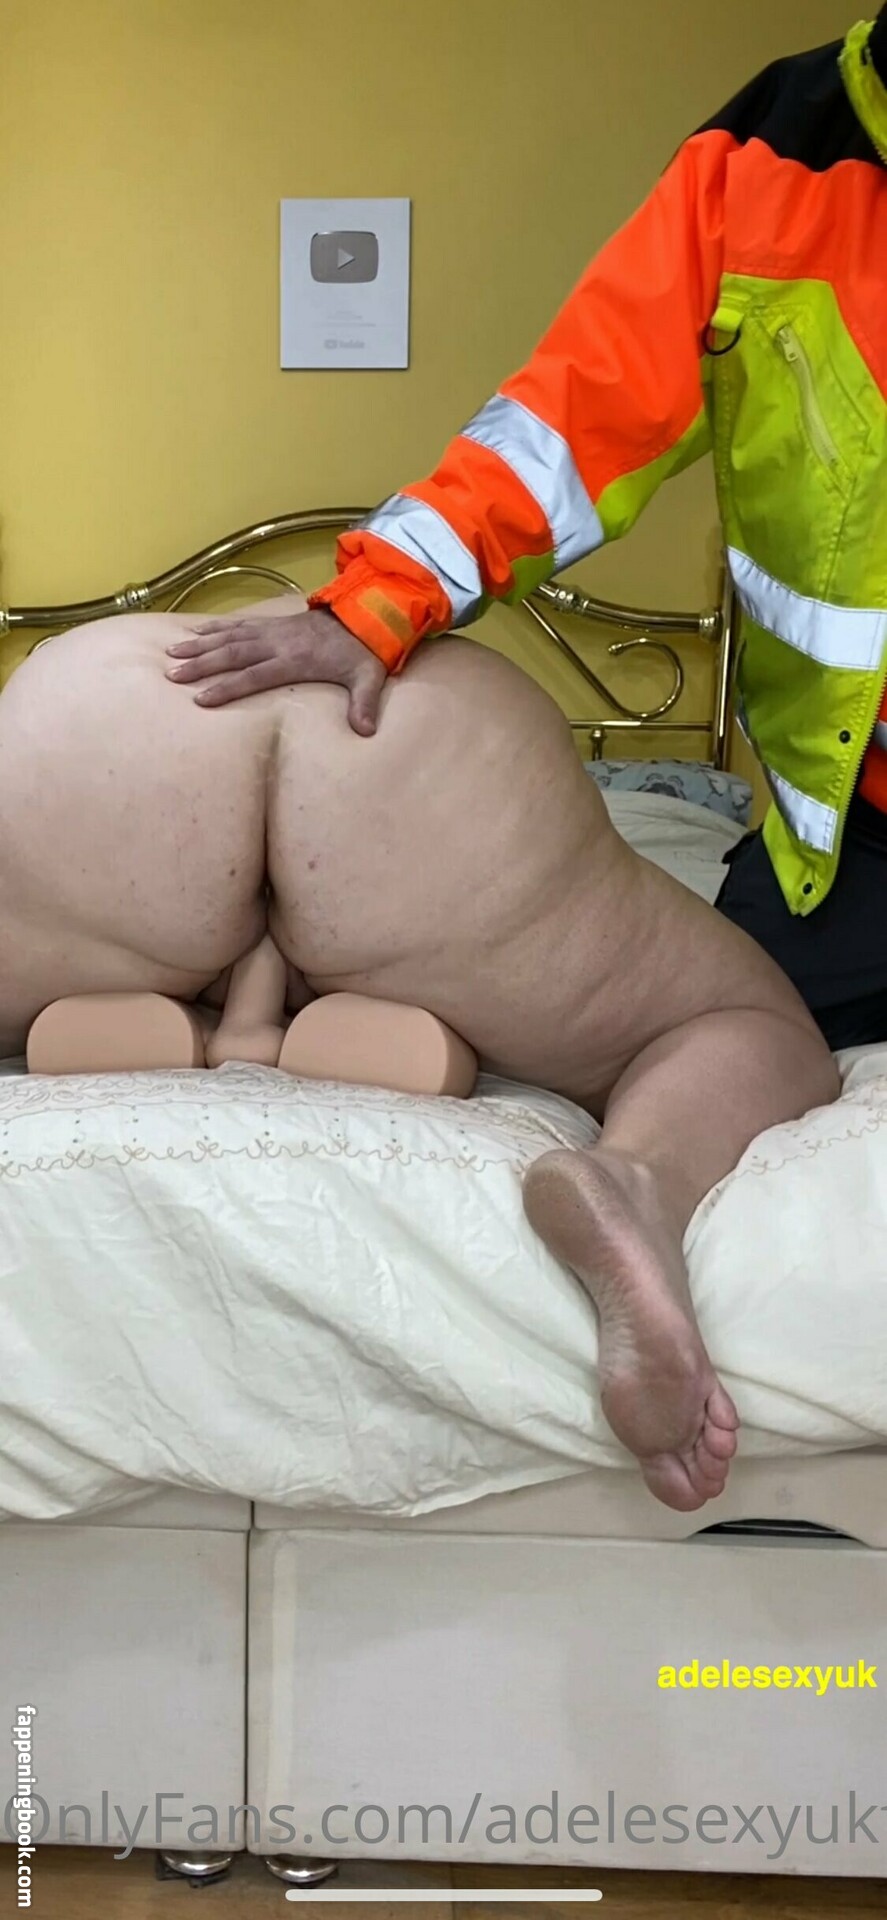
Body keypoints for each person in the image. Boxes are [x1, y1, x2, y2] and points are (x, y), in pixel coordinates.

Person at [0, 594, 838, 1512]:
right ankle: (636, 1179)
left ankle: (225, 1007)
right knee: (741, 1020)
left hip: (105, 724)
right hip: (427, 756)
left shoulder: (142, 649)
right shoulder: (420, 594)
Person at [167, 12, 887, 1052]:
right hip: (850, 843)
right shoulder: (768, 154)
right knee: (723, 1044)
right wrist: (378, 598)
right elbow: (573, 417)